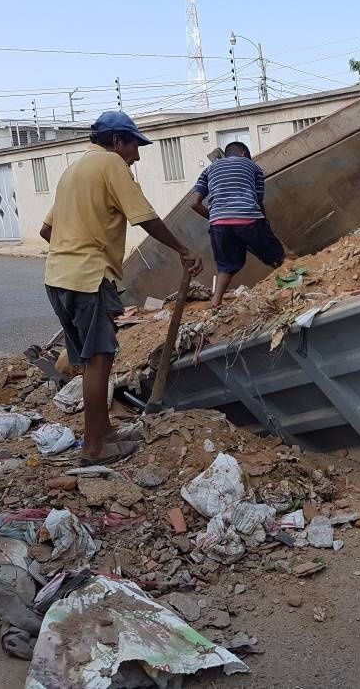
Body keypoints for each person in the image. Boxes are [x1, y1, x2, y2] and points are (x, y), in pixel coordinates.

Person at [40, 111, 203, 466]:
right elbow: (143, 215)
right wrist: (184, 249)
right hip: (88, 278)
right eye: (134, 145)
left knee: (88, 362)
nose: (137, 155)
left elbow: (47, 231)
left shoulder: (74, 170)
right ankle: (94, 448)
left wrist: (79, 240)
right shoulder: (111, 165)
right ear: (116, 141)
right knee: (99, 363)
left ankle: (106, 435)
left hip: (58, 277)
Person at [190, 140, 285, 307]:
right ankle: (292, 281)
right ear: (243, 154)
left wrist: (215, 218)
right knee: (275, 255)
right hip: (248, 218)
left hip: (218, 224)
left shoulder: (209, 169)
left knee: (226, 266)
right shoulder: (253, 167)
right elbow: (258, 200)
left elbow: (194, 203)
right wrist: (264, 224)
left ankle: (216, 302)